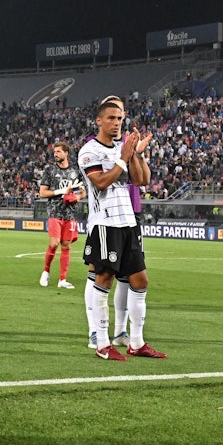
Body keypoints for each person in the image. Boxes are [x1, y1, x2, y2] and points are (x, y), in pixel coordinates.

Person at [78, 99, 165, 361]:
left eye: (120, 119)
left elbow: (142, 180)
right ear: (99, 121)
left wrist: (136, 154)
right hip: (106, 223)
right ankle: (102, 343)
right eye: (111, 118)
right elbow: (101, 182)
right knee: (104, 279)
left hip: (128, 223)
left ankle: (136, 342)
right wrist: (124, 158)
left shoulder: (122, 147)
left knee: (140, 281)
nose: (116, 123)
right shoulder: (89, 151)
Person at [38, 143, 84, 290]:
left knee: (66, 245)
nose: (55, 154)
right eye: (54, 152)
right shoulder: (50, 170)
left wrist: (77, 197)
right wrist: (61, 192)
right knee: (54, 243)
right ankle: (46, 272)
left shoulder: (75, 171)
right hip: (55, 212)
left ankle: (62, 280)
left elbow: (83, 191)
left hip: (70, 213)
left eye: (58, 151)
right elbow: (42, 193)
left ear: (66, 153)